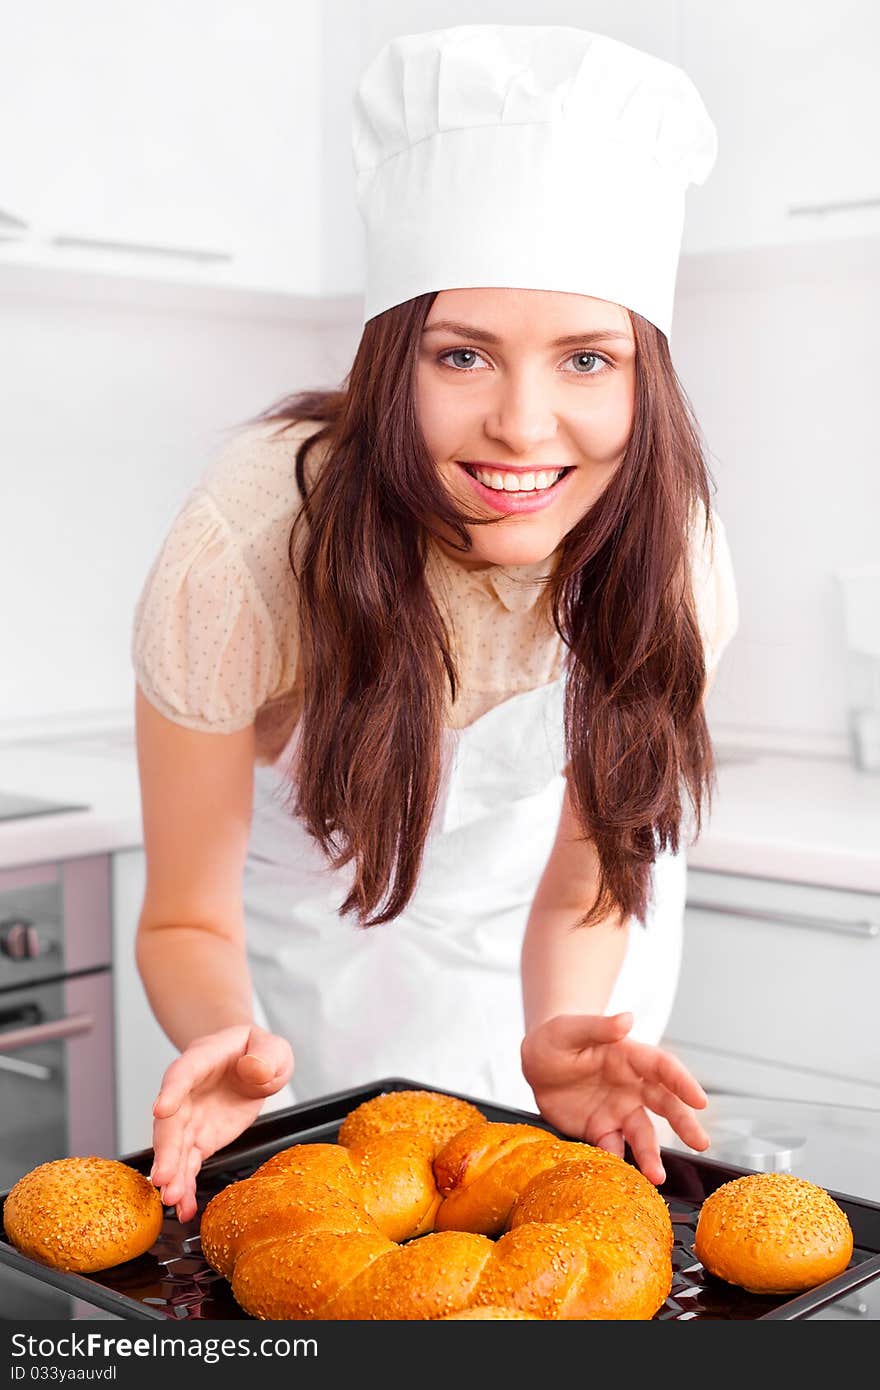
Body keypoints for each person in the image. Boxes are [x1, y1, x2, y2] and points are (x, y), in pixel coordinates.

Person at [132, 24, 739, 1224]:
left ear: (643, 376)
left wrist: (559, 1026)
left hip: (562, 939)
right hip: (322, 939)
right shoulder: (250, 552)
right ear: (388, 363)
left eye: (585, 359)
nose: (522, 425)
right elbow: (183, 913)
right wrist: (229, 1039)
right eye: (462, 354)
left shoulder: (673, 555)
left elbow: (586, 885)